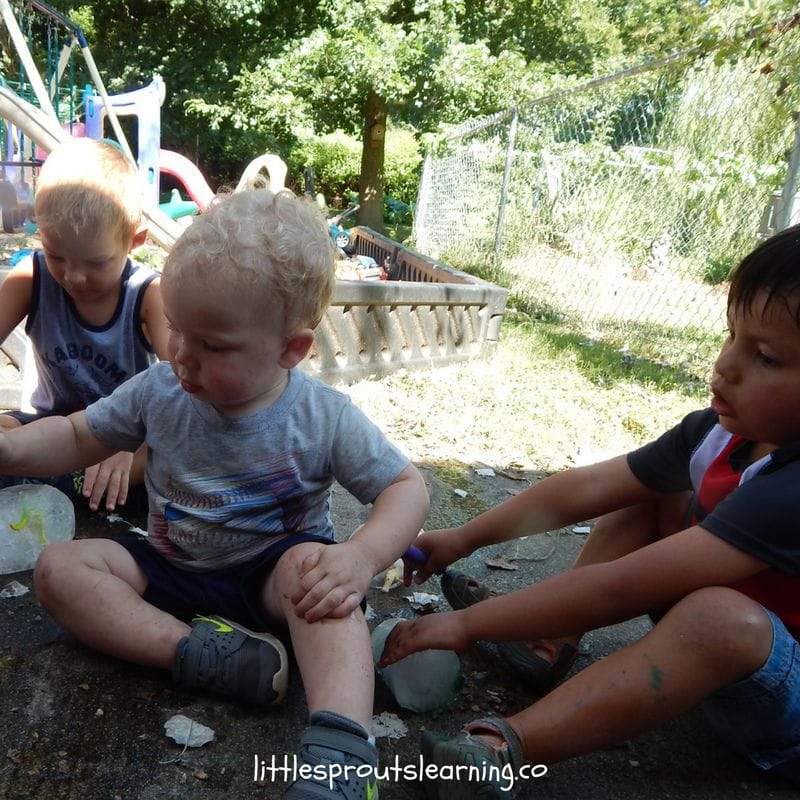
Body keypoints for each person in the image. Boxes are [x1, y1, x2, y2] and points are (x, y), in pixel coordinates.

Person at [4, 188, 430, 800]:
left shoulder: (320, 417)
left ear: (292, 349)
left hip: (272, 579)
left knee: (322, 582)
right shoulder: (158, 390)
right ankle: (205, 654)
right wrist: (11, 449)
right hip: (172, 567)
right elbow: (76, 435)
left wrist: (360, 559)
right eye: (177, 330)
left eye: (214, 346)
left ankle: (342, 748)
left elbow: (404, 487)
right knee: (60, 569)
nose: (183, 356)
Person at [379, 225, 800, 798]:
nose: (726, 366)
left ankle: (501, 752)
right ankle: (546, 642)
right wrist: (464, 536)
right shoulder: (720, 435)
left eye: (767, 357)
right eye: (732, 335)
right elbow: (589, 488)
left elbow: (620, 589)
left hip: (786, 718)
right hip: (740, 667)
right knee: (647, 489)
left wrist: (464, 624)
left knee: (721, 618)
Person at [0, 138, 170, 510]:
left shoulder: (147, 294)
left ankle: (54, 483)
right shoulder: (31, 276)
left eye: (95, 263)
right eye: (57, 256)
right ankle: (60, 481)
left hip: (124, 436)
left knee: (167, 460)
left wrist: (132, 443)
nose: (74, 277)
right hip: (49, 428)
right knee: (7, 431)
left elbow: (181, 386)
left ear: (134, 240)